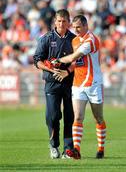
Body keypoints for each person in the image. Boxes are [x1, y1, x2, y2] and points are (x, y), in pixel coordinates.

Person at [52, 15, 107, 159]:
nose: (75, 30)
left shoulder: (91, 40)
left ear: (86, 26)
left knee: (98, 118)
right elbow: (77, 62)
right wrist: (67, 70)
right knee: (78, 117)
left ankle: (101, 148)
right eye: (74, 27)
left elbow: (73, 57)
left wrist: (57, 61)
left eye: (78, 27)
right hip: (78, 84)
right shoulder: (75, 40)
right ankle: (76, 149)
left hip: (94, 83)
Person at [33, 9, 76, 159]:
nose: (61, 24)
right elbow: (37, 60)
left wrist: (67, 72)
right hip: (51, 83)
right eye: (59, 21)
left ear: (68, 22)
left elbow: (78, 61)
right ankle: (54, 145)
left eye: (64, 21)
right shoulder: (46, 38)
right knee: (52, 116)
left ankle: (68, 150)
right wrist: (50, 69)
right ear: (55, 22)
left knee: (70, 116)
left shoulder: (74, 39)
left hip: (70, 82)